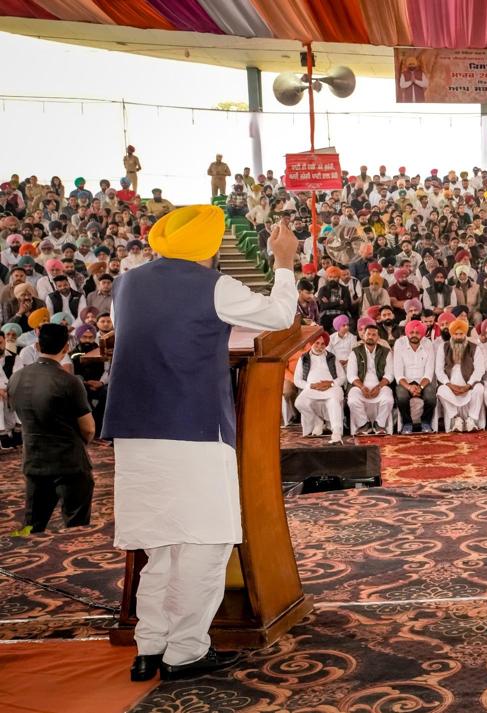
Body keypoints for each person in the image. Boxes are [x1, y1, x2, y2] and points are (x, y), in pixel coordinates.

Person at [102, 207, 298, 681]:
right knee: (206, 542)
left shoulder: (125, 285)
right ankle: (185, 651)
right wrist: (284, 260)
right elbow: (280, 315)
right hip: (193, 430)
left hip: (135, 433)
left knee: (159, 545)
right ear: (210, 248)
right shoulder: (214, 287)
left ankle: (150, 645)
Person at [8, 323, 94, 537]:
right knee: (76, 528)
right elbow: (89, 428)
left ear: (37, 346)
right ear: (66, 348)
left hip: (34, 458)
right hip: (69, 462)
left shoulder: (16, 378)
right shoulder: (68, 381)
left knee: (33, 524)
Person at [293, 332, 345, 443]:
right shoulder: (304, 358)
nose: (319, 346)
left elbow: (342, 377)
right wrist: (310, 385)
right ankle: (318, 421)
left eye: (322, 344)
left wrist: (331, 384)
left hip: (331, 388)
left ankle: (336, 433)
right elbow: (297, 380)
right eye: (317, 343)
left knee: (333, 401)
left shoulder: (331, 357)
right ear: (312, 343)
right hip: (312, 389)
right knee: (299, 403)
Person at [435, 317, 486, 432]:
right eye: (456, 334)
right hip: (450, 384)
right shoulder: (443, 347)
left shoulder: (474, 347)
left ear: (465, 334)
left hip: (469, 384)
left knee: (479, 388)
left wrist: (468, 386)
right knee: (441, 390)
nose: (458, 337)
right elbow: (439, 370)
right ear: (451, 334)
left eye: (461, 334)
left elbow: (480, 370)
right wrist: (449, 385)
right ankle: (456, 418)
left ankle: (471, 419)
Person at [346, 318, 394, 435]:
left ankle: (379, 425)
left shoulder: (386, 352)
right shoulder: (355, 352)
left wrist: (379, 387)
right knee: (352, 400)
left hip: (380, 385)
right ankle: (364, 424)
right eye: (368, 334)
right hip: (360, 385)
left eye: (374, 335)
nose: (371, 337)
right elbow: (351, 375)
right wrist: (362, 387)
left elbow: (389, 374)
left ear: (378, 338)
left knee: (388, 399)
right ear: (363, 336)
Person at [392, 319, 436, 433]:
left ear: (422, 334)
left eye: (417, 332)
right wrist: (409, 387)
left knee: (431, 396)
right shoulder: (399, 343)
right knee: (402, 397)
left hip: (423, 381)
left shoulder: (428, 344)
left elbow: (429, 373)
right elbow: (398, 374)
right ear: (407, 333)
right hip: (405, 381)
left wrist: (420, 387)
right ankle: (407, 423)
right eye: (411, 332)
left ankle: (426, 422)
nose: (414, 335)